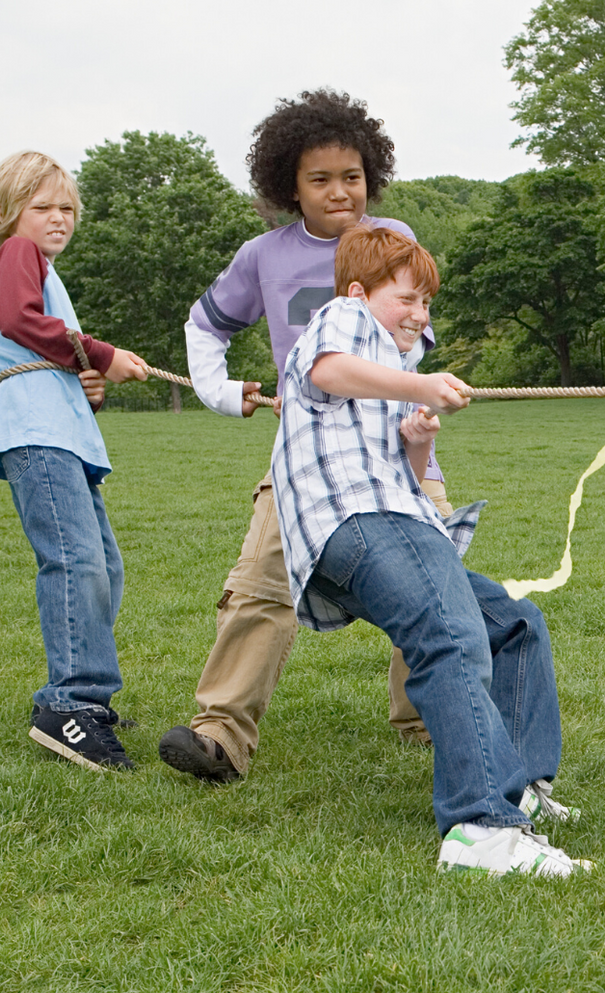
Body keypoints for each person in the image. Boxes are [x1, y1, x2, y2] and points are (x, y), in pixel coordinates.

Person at [270, 224, 591, 876]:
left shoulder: (385, 374)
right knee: (448, 636)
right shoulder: (346, 319)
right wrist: (418, 388)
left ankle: (521, 781)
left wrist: (415, 435)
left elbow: (405, 473)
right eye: (407, 298)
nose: (419, 315)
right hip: (362, 521)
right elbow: (327, 366)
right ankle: (481, 827)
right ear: (361, 293)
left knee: (513, 624)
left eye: (427, 303)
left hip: (376, 525)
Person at [157, 90, 445, 784]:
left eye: (351, 176)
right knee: (258, 586)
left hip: (392, 449)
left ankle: (427, 720)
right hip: (303, 459)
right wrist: (222, 394)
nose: (339, 191)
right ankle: (220, 736)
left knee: (434, 585)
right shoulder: (263, 255)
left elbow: (411, 339)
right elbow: (206, 326)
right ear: (290, 184)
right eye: (319, 179)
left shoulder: (390, 240)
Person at [0, 151, 149, 770]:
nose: (58, 218)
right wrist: (98, 354)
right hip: (36, 429)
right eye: (42, 206)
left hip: (59, 429)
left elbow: (42, 342)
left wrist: (85, 378)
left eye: (67, 208)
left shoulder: (44, 271)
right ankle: (74, 706)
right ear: (6, 213)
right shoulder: (19, 255)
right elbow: (15, 320)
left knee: (103, 564)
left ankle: (74, 692)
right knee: (76, 561)